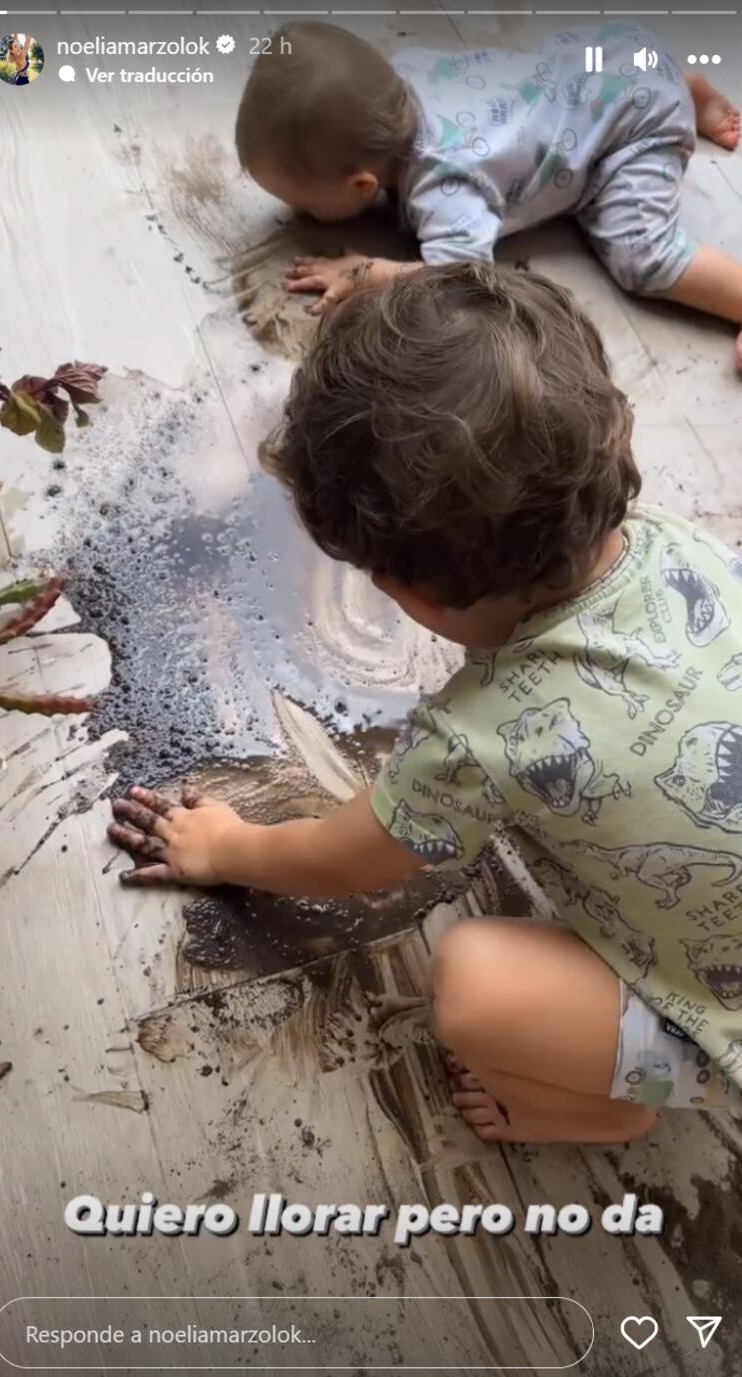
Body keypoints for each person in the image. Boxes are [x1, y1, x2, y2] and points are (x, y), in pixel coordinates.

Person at [109, 263, 742, 1145]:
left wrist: (227, 844)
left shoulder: (485, 736)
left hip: (722, 1023)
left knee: (476, 981)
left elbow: (343, 862)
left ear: (406, 589)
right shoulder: (692, 551)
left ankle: (616, 1099)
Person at [235, 21, 742, 369]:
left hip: (633, 131)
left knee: (642, 257)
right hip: (614, 53)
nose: (295, 213)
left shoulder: (444, 187)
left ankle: (678, 102)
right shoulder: (405, 74)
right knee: (575, 70)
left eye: (303, 203)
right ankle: (680, 84)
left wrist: (365, 272)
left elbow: (461, 274)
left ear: (363, 186)